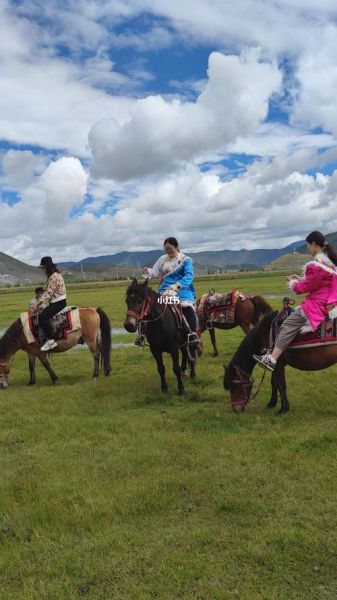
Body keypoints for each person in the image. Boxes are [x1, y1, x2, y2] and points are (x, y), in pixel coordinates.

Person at [253, 231, 337, 371]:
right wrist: (300, 279)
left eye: (308, 245)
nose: (307, 248)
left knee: (288, 324)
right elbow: (317, 284)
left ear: (314, 245)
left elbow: (304, 288)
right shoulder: (329, 264)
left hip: (317, 304)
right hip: (329, 302)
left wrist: (293, 283)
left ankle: (272, 358)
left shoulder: (315, 265)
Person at [137, 237, 199, 347]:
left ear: (176, 247)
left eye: (170, 248)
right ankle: (142, 335)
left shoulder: (186, 260)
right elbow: (155, 272)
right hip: (164, 291)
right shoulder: (162, 259)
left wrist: (176, 286)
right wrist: (148, 271)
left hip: (182, 290)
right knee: (149, 307)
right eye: (166, 249)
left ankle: (192, 334)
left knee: (187, 307)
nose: (168, 251)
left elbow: (189, 276)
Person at [33, 256, 67, 351]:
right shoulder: (56, 275)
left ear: (47, 267)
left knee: (42, 317)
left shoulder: (53, 277)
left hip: (58, 302)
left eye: (42, 268)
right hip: (57, 301)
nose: (42, 270)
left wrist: (37, 304)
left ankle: (51, 341)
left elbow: (48, 293)